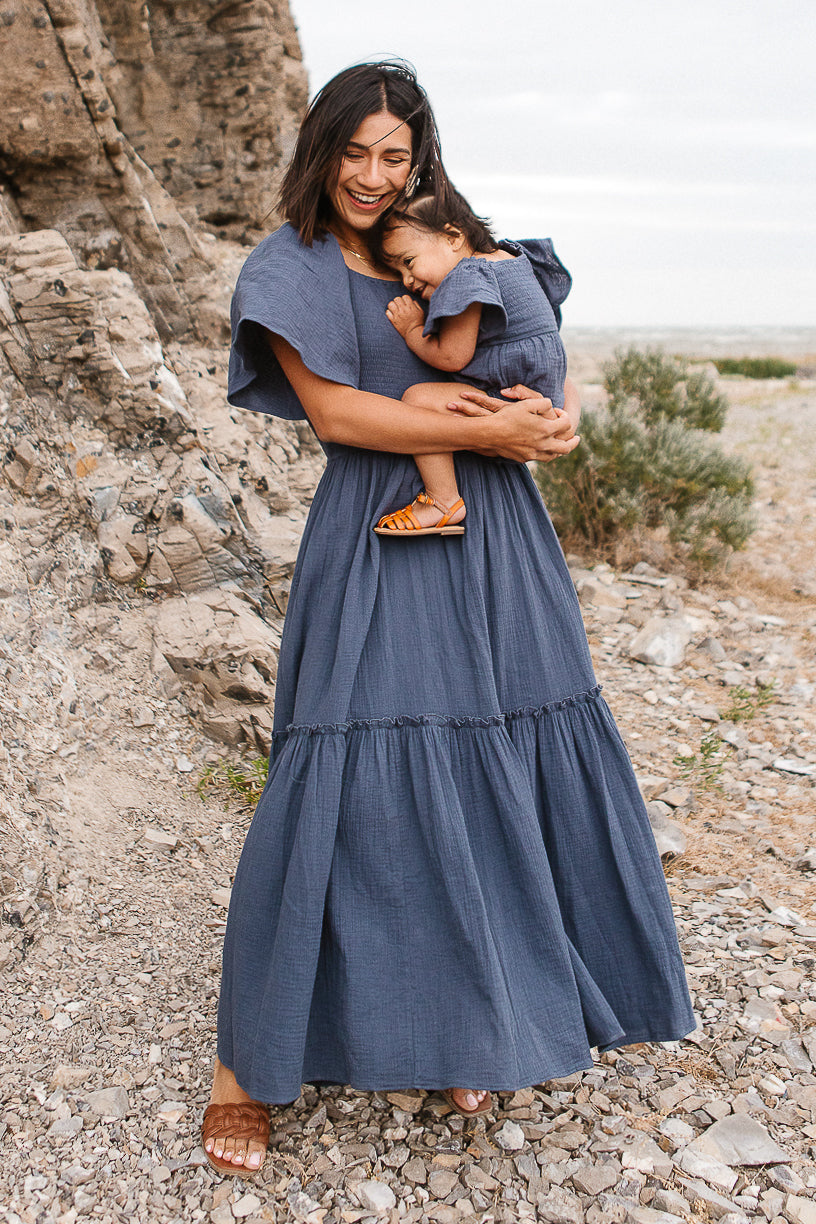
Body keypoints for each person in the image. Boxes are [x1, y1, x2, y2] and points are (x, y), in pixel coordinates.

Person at [202, 60, 694, 1178]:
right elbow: (334, 411)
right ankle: (247, 1066)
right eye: (355, 151)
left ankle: (468, 1020)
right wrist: (487, 436)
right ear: (318, 147)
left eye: (396, 154)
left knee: (498, 764)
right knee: (338, 771)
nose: (374, 177)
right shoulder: (287, 267)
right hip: (382, 531)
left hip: (500, 534)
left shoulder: (447, 235)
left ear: (419, 158)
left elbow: (535, 347)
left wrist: (552, 421)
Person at [373, 189, 570, 537]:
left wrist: (413, 329)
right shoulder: (514, 259)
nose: (407, 280)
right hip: (537, 396)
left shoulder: (469, 276)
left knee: (418, 400)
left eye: (408, 261)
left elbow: (451, 356)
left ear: (452, 237)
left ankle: (442, 500)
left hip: (503, 399)